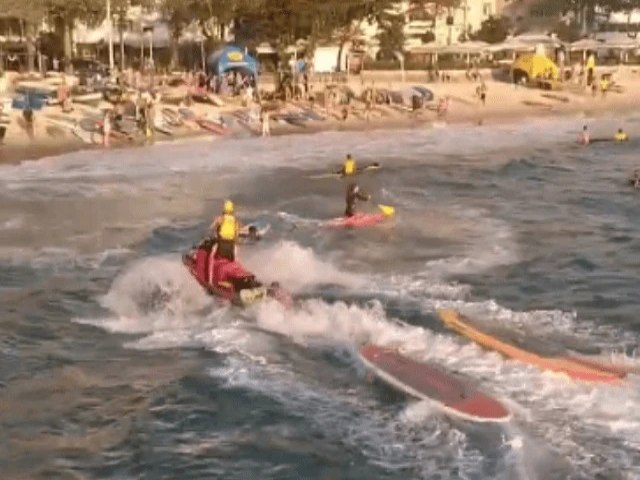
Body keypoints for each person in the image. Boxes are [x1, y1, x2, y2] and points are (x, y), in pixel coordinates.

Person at [208, 200, 242, 284]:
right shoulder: (235, 221)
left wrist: (213, 232)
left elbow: (211, 228)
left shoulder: (221, 218)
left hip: (221, 244)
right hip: (231, 246)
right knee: (235, 260)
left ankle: (210, 281)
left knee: (211, 256)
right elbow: (236, 236)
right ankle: (237, 276)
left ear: (224, 209)